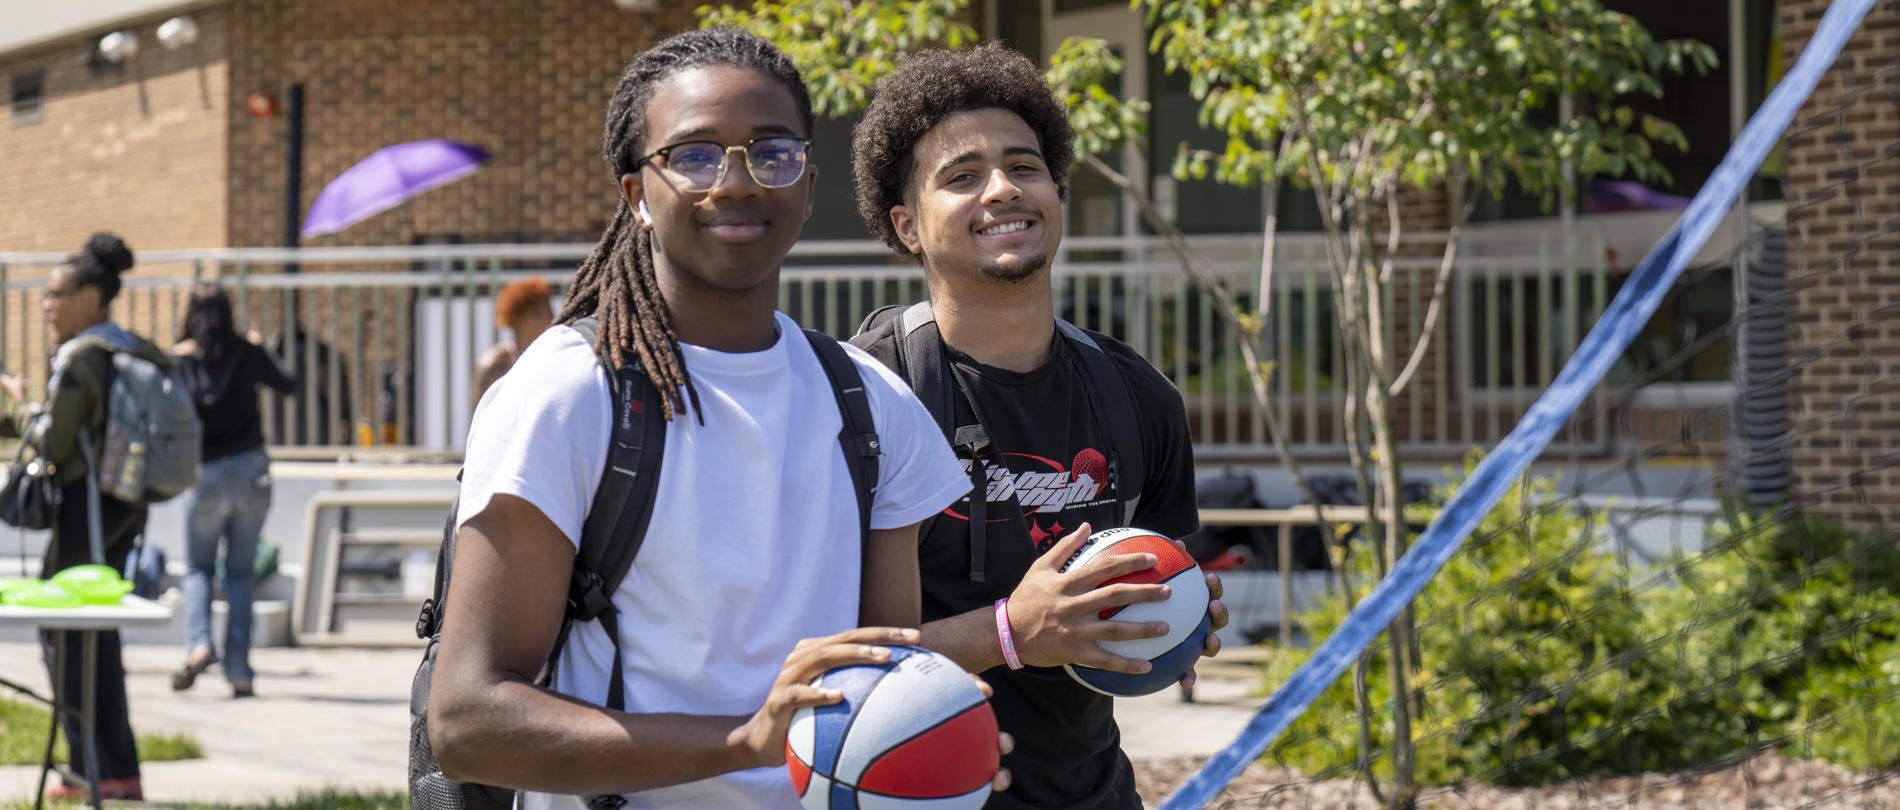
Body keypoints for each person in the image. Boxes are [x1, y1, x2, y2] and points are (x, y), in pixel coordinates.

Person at [426, 28, 990, 809]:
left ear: (807, 182)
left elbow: (878, 680)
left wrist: (924, 738)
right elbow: (468, 720)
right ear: (636, 196)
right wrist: (745, 740)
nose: (736, 181)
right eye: (692, 155)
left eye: (772, 152)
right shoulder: (565, 394)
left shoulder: (871, 402)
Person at [849, 44, 1228, 809]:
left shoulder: (1137, 395)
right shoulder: (864, 396)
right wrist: (1009, 633)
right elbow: (819, 656)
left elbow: (1147, 582)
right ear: (907, 225)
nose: (1001, 189)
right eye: (961, 176)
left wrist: (1173, 619)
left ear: (1054, 188)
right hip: (911, 796)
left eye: (1024, 166)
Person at [0, 233, 160, 802]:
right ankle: (114, 769)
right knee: (97, 639)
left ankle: (90, 768)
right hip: (124, 508)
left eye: (56, 294)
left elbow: (54, 439)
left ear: (89, 296)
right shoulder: (131, 347)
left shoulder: (82, 355)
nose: (48, 306)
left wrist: (19, 402)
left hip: (85, 513)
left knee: (68, 639)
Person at [167, 283, 298, 698]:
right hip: (251, 470)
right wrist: (259, 349)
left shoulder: (178, 359)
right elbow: (288, 384)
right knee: (240, 572)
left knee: (198, 568)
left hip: (203, 473)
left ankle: (199, 644)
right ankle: (239, 671)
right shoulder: (245, 351)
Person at [473, 275, 555, 404]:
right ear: (526, 317)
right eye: (547, 312)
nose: (553, 318)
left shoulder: (548, 357)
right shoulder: (495, 364)